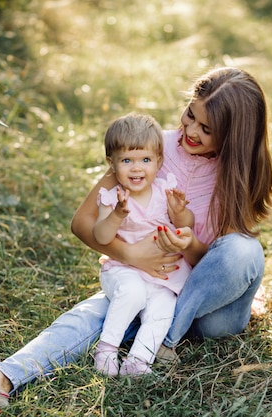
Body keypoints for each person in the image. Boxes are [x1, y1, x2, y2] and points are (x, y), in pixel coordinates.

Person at [0, 66, 272, 414]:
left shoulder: (235, 179)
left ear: (232, 136)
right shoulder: (152, 148)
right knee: (94, 313)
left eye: (206, 128)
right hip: (147, 282)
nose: (190, 129)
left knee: (244, 250)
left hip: (208, 313)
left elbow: (217, 265)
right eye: (190, 115)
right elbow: (82, 222)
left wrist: (189, 245)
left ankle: (165, 340)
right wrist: (131, 255)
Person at [91, 112, 194, 377]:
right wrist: (116, 216)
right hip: (123, 270)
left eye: (145, 160)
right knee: (133, 292)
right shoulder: (112, 197)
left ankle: (138, 360)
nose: (137, 168)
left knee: (163, 308)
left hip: (160, 277)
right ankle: (106, 349)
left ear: (158, 161)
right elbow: (101, 236)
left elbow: (186, 224)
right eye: (127, 160)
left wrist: (180, 211)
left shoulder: (164, 191)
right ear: (111, 164)